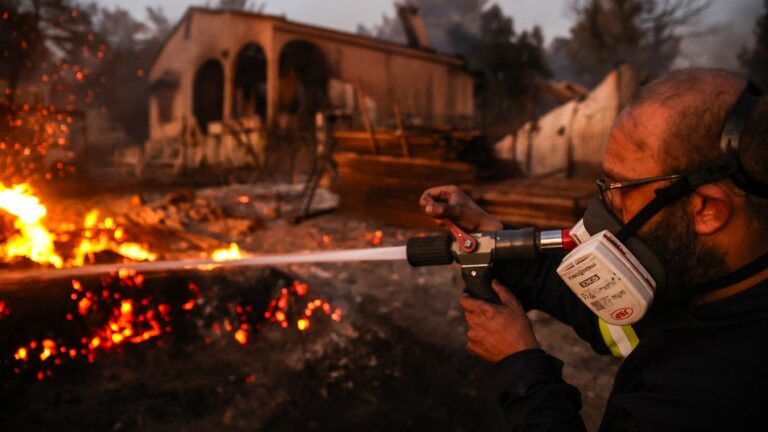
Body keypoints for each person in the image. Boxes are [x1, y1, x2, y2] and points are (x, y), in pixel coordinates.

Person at [419, 68, 768, 431]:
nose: (606, 203)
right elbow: (615, 318)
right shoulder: (705, 278)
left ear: (707, 209)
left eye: (622, 187)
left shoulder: (711, 396)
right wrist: (495, 236)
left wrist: (522, 369)